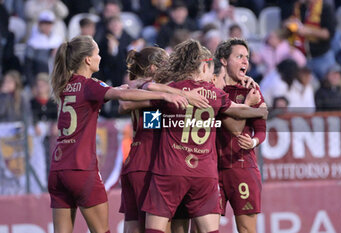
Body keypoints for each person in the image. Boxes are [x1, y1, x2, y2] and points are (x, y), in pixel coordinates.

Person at [48, 35, 188, 233]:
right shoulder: (95, 86)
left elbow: (122, 98)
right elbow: (128, 103)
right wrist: (167, 95)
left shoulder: (65, 86)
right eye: (97, 53)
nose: (100, 57)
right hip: (138, 166)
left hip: (59, 168)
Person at [141, 39, 267, 233]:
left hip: (170, 168)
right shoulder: (215, 94)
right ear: (205, 67)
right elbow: (241, 115)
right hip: (204, 173)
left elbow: (147, 103)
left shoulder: (170, 89)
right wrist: (259, 108)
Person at [118, 47, 209, 233]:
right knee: (158, 227)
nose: (170, 68)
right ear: (153, 68)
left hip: (132, 163)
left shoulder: (133, 89)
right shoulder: (158, 93)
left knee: (133, 226)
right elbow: (153, 126)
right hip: (150, 164)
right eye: (166, 63)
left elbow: (124, 106)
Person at [215, 38, 267, 233]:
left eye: (247, 57)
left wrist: (253, 141)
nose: (245, 61)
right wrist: (247, 103)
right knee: (202, 229)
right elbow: (233, 126)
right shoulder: (211, 88)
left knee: (246, 230)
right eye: (239, 56)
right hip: (211, 169)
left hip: (242, 165)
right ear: (224, 60)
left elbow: (261, 129)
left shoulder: (251, 89)